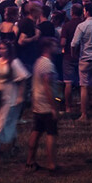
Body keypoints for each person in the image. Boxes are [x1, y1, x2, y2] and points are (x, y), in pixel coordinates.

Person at [0, 42, 29, 158]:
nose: (1, 50)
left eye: (4, 48)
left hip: (11, 94)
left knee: (5, 120)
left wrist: (20, 96)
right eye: (0, 48)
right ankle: (13, 145)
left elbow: (22, 79)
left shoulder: (14, 62)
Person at [25, 38, 59, 172]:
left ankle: (30, 160)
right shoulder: (47, 64)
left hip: (37, 102)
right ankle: (51, 164)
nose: (56, 47)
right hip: (46, 103)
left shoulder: (38, 62)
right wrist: (53, 107)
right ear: (47, 48)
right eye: (54, 45)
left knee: (36, 131)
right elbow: (47, 86)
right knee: (51, 134)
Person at [71, 2, 92, 122]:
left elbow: (74, 43)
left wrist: (74, 55)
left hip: (85, 59)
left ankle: (84, 114)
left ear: (87, 12)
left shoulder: (82, 26)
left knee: (84, 87)